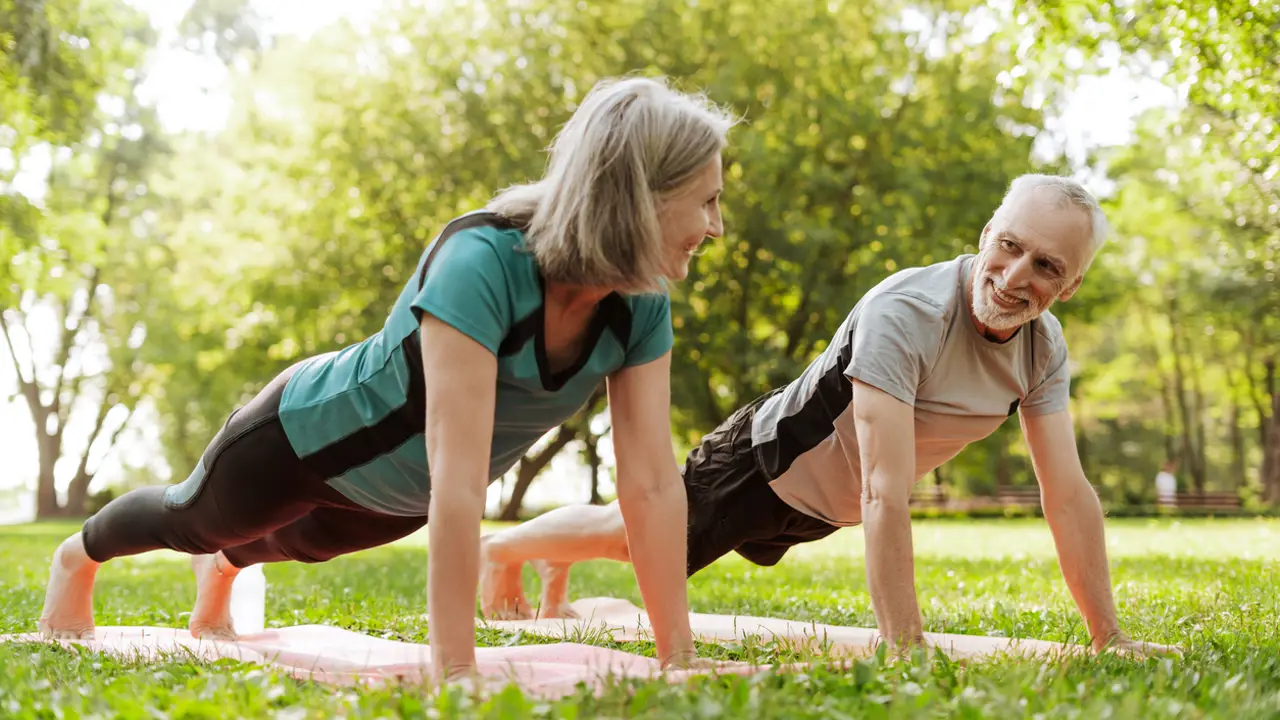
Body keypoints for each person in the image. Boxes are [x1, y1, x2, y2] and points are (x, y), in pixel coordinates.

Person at [36, 75, 737, 682]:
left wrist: (678, 656)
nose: (717, 227)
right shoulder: (482, 263)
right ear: (639, 194)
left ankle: (224, 568)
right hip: (303, 438)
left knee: (302, 544)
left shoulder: (640, 308)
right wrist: (455, 672)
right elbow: (459, 482)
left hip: (400, 495)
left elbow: (648, 485)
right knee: (195, 519)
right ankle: (78, 558)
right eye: (705, 202)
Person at [479, 174, 1177, 658]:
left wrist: (1107, 636)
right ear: (988, 231)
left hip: (822, 508)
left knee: (625, 538)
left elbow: (1067, 493)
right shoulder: (906, 312)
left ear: (1073, 284)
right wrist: (904, 643)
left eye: (1048, 266)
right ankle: (505, 551)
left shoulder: (1041, 349)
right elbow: (884, 488)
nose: (1018, 274)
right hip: (761, 465)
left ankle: (550, 566)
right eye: (1009, 245)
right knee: (629, 539)